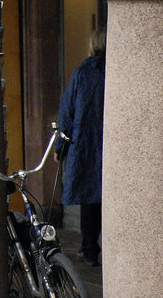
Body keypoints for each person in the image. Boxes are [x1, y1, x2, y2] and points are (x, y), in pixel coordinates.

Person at [57, 27, 105, 268]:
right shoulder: (121, 70)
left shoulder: (82, 73)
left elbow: (68, 111)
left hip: (87, 144)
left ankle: (88, 250)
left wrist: (60, 146)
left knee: (90, 200)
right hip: (112, 144)